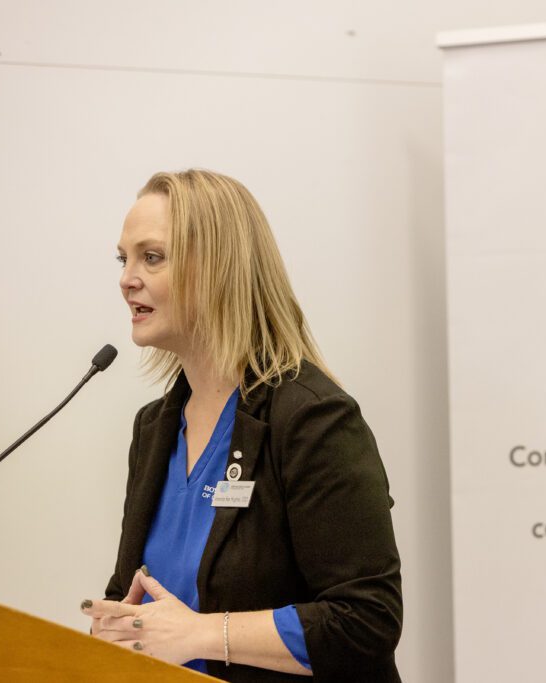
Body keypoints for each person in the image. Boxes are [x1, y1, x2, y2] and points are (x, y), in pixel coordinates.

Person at [81, 169, 402, 682]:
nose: (127, 278)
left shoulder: (312, 418)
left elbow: (366, 620)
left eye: (152, 257)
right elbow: (138, 601)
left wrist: (203, 634)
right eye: (124, 258)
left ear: (218, 269)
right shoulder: (154, 429)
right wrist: (120, 628)